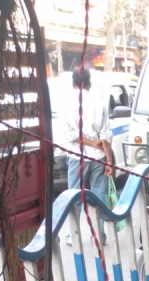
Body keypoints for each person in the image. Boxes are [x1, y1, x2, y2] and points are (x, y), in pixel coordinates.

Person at [61, 67, 115, 245]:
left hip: (77, 159)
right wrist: (109, 161)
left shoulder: (67, 103)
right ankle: (99, 236)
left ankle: (72, 235)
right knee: (98, 197)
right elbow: (106, 136)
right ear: (90, 83)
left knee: (74, 197)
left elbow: (68, 134)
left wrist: (90, 144)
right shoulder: (99, 103)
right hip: (99, 158)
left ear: (73, 84)